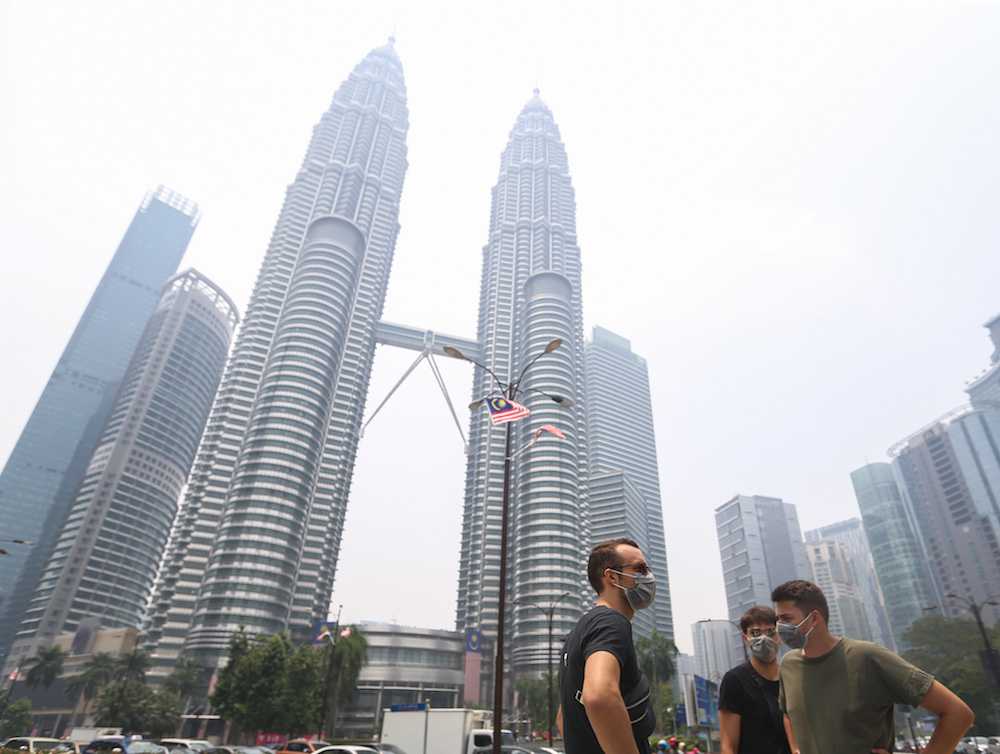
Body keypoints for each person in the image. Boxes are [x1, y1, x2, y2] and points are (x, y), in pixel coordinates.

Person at [771, 579, 974, 754]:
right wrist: (795, 748)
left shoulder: (867, 657)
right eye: (778, 619)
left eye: (787, 619)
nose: (780, 627)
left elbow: (958, 713)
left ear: (814, 618)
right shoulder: (789, 665)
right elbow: (788, 713)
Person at [556, 537, 657, 753]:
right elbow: (599, 696)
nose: (648, 576)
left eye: (647, 569)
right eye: (640, 569)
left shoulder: (578, 632)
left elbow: (562, 718)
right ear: (612, 576)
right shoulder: (611, 622)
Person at [718, 606, 792, 754]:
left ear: (780, 636)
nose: (764, 638)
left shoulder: (791, 677)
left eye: (770, 631)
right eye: (756, 633)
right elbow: (728, 746)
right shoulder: (735, 680)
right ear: (746, 639)